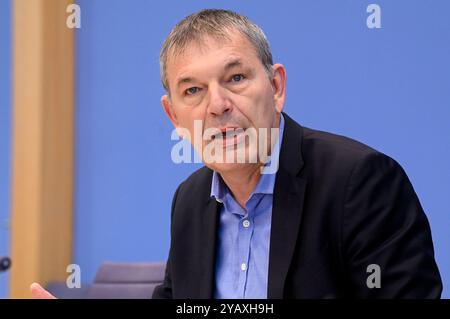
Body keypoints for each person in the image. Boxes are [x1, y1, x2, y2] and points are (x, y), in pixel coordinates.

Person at [31, 9, 442, 299]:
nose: (217, 105)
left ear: (276, 87)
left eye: (236, 78)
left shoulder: (359, 181)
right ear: (173, 114)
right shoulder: (190, 201)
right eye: (193, 90)